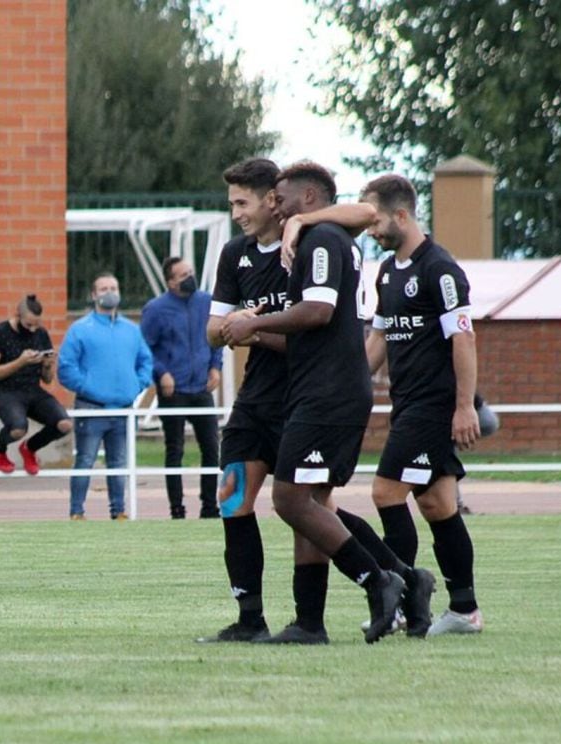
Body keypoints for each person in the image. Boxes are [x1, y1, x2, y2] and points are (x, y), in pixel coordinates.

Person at [221, 161, 411, 645]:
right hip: (301, 395)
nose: (274, 208)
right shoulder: (294, 241)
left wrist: (255, 325)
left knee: (293, 500)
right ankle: (308, 620)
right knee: (292, 502)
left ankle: (384, 579)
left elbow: (319, 310)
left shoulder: (321, 237)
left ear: (304, 199)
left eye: (279, 200)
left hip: (324, 394)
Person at [361, 173, 484, 635]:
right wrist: (351, 388)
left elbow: (464, 339)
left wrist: (464, 406)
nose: (370, 229)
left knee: (385, 492)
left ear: (401, 214)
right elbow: (379, 339)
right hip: (406, 403)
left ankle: (401, 601)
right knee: (436, 504)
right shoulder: (388, 270)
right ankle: (465, 609)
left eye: (375, 219)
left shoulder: (441, 268)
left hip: (432, 407)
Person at [199, 157, 288, 641]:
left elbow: (314, 332)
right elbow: (214, 331)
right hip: (255, 399)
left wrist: (255, 327)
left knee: (307, 509)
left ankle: (388, 578)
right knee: (232, 498)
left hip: (304, 398)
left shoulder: (308, 249)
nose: (235, 212)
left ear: (272, 200)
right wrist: (238, 325)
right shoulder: (236, 255)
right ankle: (250, 619)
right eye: (231, 202)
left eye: (241, 202)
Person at [58, 273, 153, 521]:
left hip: (123, 408)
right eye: (103, 288)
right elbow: (66, 368)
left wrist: (137, 384)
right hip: (91, 408)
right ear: (93, 295)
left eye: (113, 287)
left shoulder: (132, 330)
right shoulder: (80, 329)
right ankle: (76, 511)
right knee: (85, 460)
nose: (109, 292)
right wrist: (89, 386)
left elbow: (146, 362)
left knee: (119, 463)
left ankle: (118, 510)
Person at [140, 257, 221, 519]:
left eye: (191, 271)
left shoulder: (206, 302)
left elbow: (215, 337)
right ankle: (177, 508)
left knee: (211, 448)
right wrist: (161, 373)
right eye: (183, 274)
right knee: (174, 449)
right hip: (173, 391)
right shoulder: (155, 309)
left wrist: (215, 366)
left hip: (201, 388)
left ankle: (210, 506)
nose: (189, 277)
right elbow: (145, 348)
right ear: (171, 281)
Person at [0, 294, 71, 475]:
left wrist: (47, 365)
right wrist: (20, 362)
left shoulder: (41, 334)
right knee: (18, 429)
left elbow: (47, 380)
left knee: (64, 424)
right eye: (28, 325)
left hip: (33, 390)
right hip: (4, 391)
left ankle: (30, 448)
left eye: (36, 324)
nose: (32, 329)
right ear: (18, 315)